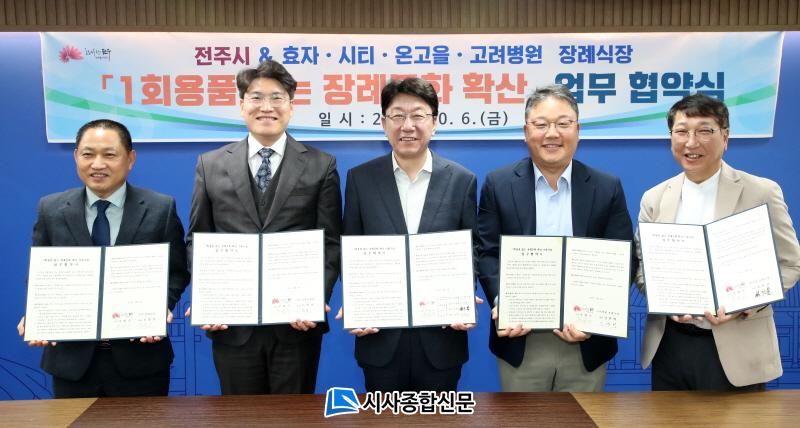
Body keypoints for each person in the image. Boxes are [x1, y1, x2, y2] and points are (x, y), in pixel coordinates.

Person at [187, 60, 341, 395]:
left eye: (277, 97)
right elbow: (198, 239)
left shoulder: (321, 165)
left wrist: (315, 298)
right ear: (242, 105)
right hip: (233, 324)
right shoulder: (210, 165)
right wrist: (208, 298)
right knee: (240, 415)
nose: (266, 107)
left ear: (291, 106)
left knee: (294, 415)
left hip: (296, 325)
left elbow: (330, 242)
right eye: (256, 97)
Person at [477, 84, 635, 392]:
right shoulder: (499, 184)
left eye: (563, 123)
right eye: (541, 124)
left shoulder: (606, 187)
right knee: (522, 416)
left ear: (578, 130)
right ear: (526, 132)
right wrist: (503, 302)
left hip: (585, 339)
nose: (552, 134)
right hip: (521, 339)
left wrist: (594, 315)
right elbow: (487, 253)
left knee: (583, 417)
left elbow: (624, 257)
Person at [637, 93, 800, 390]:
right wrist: (665, 299)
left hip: (738, 344)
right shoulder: (655, 198)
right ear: (671, 137)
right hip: (670, 345)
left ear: (725, 137)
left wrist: (745, 304)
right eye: (681, 131)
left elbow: (790, 263)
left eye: (704, 131)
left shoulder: (760, 191)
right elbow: (643, 268)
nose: (691, 142)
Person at [17, 119, 190, 398]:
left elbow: (177, 271)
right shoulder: (51, 209)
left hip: (140, 360)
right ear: (76, 156)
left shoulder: (160, 208)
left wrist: (159, 307)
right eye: (88, 154)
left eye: (109, 154)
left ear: (130, 159)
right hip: (71, 362)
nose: (98, 164)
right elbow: (41, 274)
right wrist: (37, 314)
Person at [337, 77, 479, 392]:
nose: (407, 126)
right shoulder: (360, 179)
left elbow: (471, 250)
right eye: (397, 116)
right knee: (383, 416)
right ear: (383, 123)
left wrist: (463, 295)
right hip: (380, 337)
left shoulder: (462, 180)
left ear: (435, 123)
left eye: (418, 115)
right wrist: (357, 300)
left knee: (439, 417)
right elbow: (351, 247)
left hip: (442, 337)